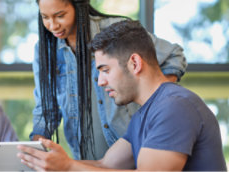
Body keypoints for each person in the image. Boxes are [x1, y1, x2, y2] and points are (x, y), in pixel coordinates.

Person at [18, 20, 226, 171]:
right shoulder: (142, 117)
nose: (99, 81)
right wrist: (51, 164)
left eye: (105, 70)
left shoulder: (175, 106)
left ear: (135, 63)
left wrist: (69, 167)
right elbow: (105, 165)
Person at [30, 0, 188, 160]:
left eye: (60, 16)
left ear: (78, 6)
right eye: (45, 17)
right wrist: (34, 147)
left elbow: (174, 56)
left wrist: (155, 103)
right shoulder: (44, 50)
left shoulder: (115, 31)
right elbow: (45, 108)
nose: (53, 25)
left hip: (135, 152)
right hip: (86, 161)